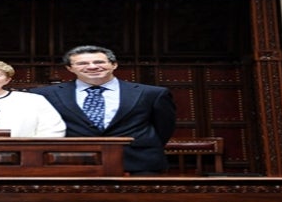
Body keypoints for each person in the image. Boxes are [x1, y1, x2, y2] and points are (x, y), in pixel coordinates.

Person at [31, 45, 177, 175]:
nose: (92, 67)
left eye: (99, 62)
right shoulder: (46, 94)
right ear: (69, 68)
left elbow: (164, 127)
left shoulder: (151, 93)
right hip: (72, 162)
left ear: (114, 65)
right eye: (82, 63)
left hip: (139, 163)